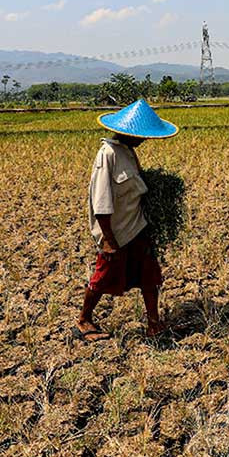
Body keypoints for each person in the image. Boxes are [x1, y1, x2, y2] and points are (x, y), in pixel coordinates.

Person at [74, 99, 178, 342]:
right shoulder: (107, 154)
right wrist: (108, 240)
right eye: (141, 135)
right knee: (103, 276)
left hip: (138, 227)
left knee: (150, 275)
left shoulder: (129, 152)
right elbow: (100, 202)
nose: (144, 140)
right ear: (127, 132)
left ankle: (154, 323)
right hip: (116, 232)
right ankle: (83, 320)